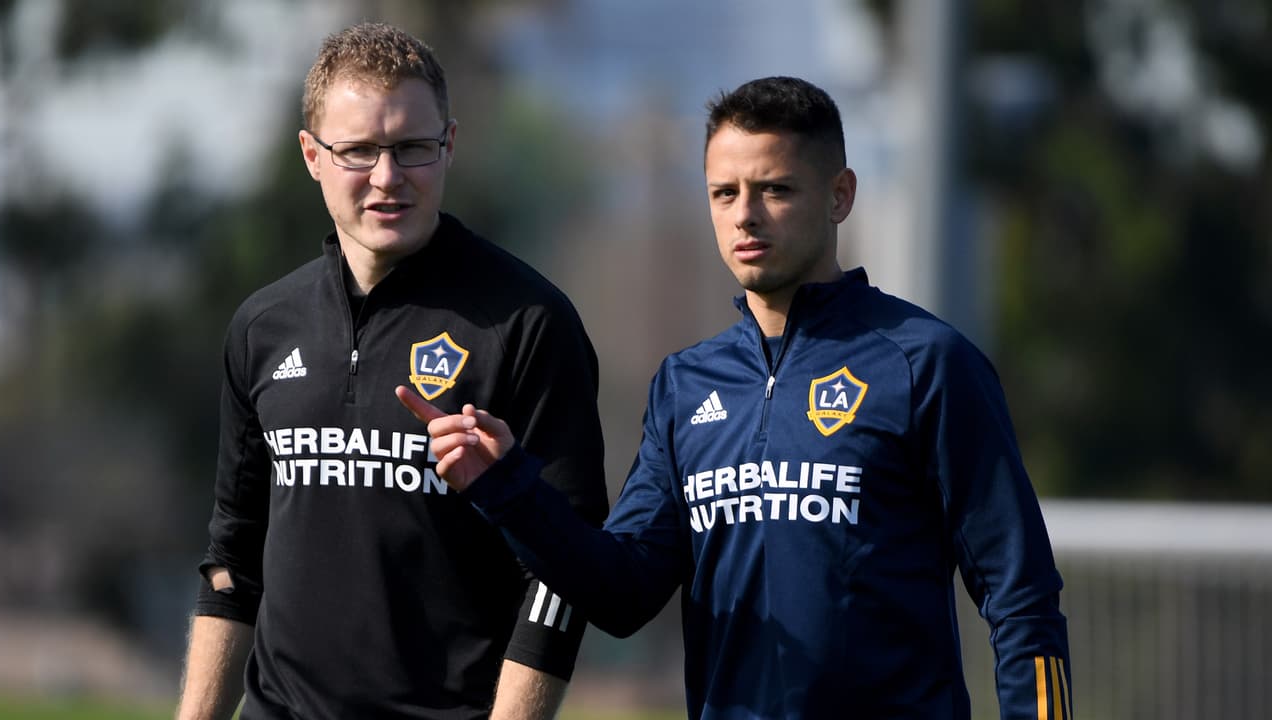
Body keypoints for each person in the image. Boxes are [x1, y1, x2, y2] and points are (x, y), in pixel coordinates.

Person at [401, 76, 1072, 719]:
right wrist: (509, 488)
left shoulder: (928, 363)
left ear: (840, 195)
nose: (745, 215)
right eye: (724, 193)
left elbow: (1022, 598)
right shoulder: (686, 385)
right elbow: (623, 592)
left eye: (775, 189)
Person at [175, 22, 607, 720]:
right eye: (358, 151)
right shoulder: (264, 325)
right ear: (312, 155)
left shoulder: (528, 323)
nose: (387, 177)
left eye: (411, 148)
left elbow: (561, 580)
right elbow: (233, 559)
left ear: (449, 145)